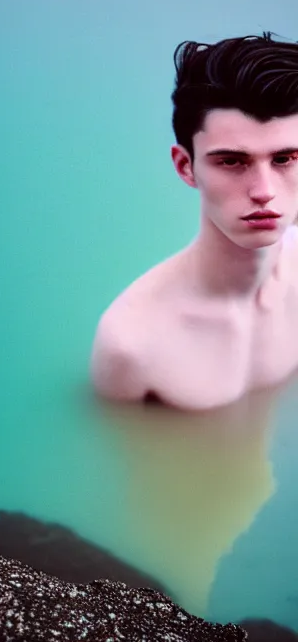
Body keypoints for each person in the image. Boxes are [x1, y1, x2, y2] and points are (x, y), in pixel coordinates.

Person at [91, 32, 298, 411]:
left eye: (285, 159)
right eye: (232, 161)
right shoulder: (133, 344)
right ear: (186, 166)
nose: (264, 191)